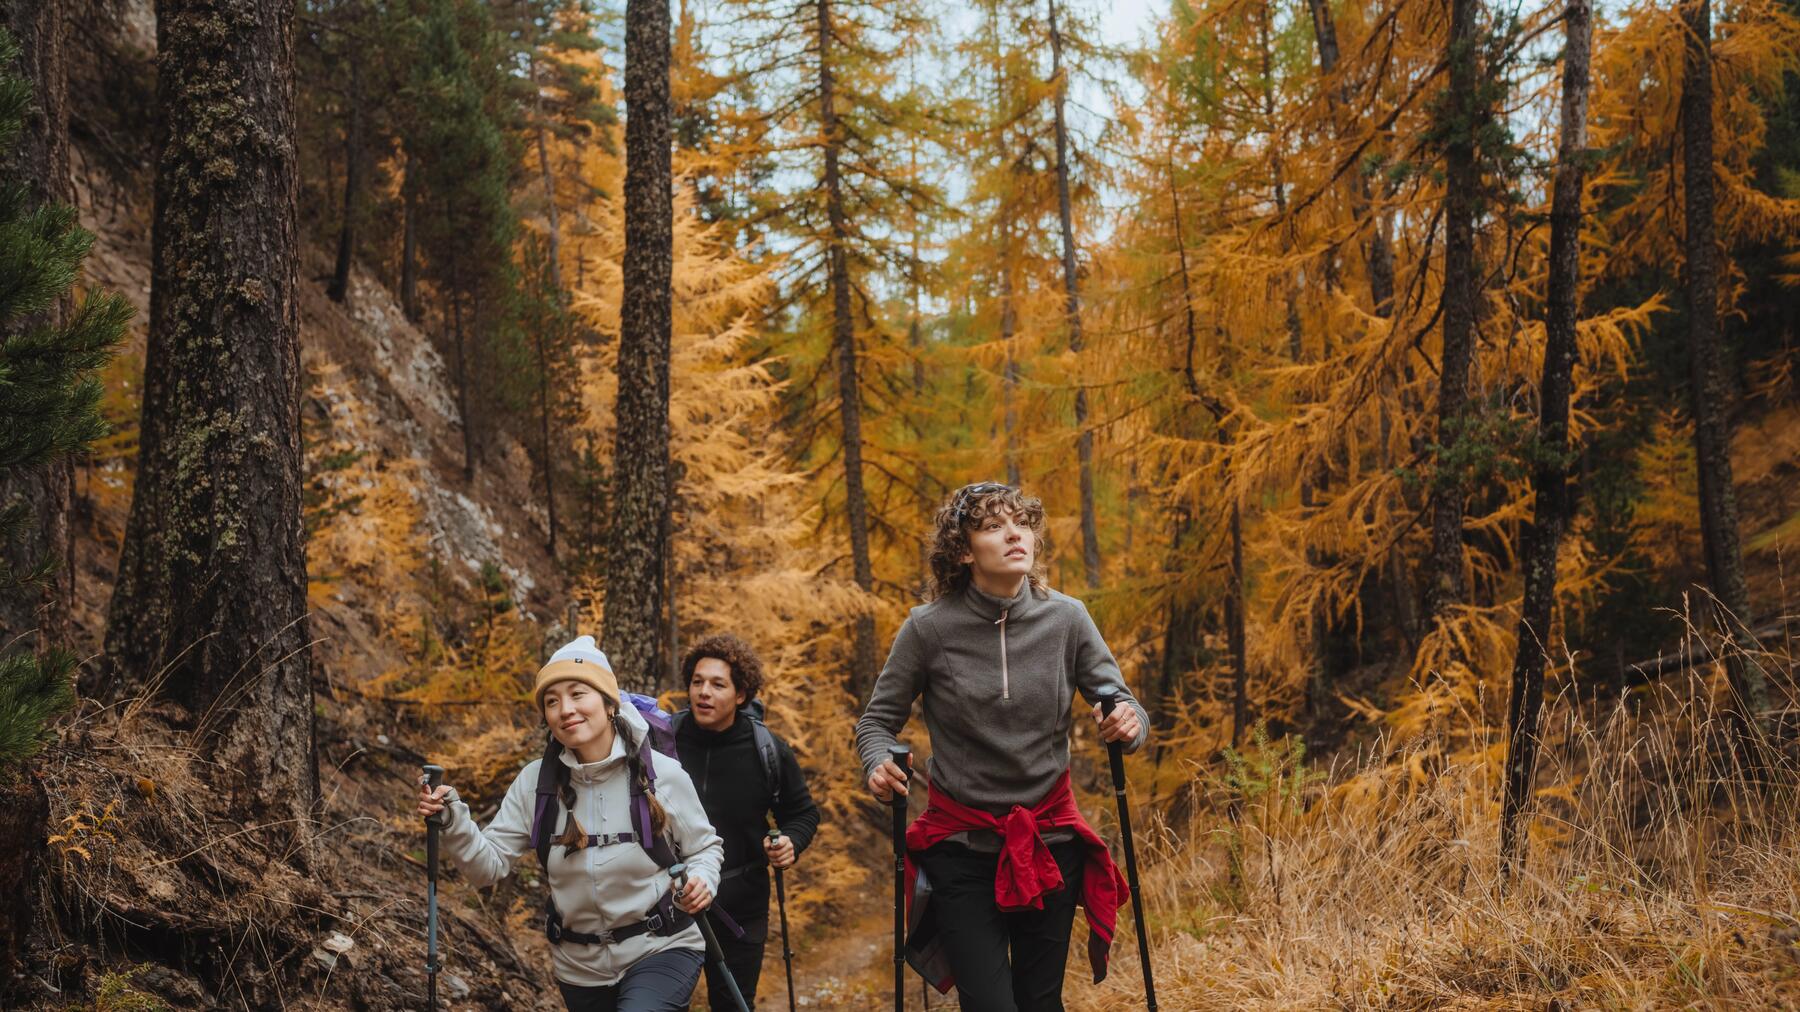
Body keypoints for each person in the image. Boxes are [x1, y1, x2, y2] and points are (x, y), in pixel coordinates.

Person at [853, 481, 1150, 1012]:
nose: (1016, 533)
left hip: (1049, 842)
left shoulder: (1068, 618)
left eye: (1022, 522)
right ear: (964, 551)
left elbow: (1122, 704)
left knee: (1040, 1002)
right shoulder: (928, 629)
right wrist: (878, 763)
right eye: (994, 525)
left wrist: (1127, 724)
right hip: (962, 851)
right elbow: (876, 722)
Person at [417, 637, 724, 1012]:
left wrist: (702, 881)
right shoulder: (535, 784)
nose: (565, 709)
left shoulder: (662, 775)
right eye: (551, 701)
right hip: (580, 968)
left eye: (578, 694)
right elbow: (488, 868)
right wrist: (452, 818)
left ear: (610, 703)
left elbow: (704, 848)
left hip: (662, 948)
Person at [672, 633, 821, 1011]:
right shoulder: (663, 740)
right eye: (697, 681)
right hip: (668, 902)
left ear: (741, 695)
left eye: (718, 684)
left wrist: (790, 842)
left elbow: (803, 812)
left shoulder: (766, 749)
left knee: (735, 1005)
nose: (704, 692)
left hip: (741, 903)